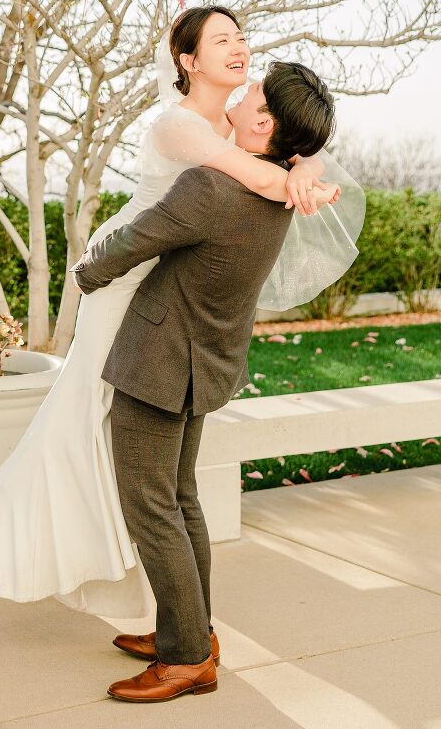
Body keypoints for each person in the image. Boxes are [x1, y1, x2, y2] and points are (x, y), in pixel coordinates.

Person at [0, 6, 364, 618]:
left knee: (151, 478)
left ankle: (181, 633)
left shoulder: (239, 128)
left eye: (240, 37)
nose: (239, 49)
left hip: (164, 293)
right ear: (188, 61)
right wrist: (300, 175)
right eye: (221, 40)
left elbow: (272, 155)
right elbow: (251, 172)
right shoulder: (180, 127)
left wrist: (306, 164)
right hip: (127, 276)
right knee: (88, 421)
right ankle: (161, 610)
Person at [71, 60, 337, 702]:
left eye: (253, 93)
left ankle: (187, 659)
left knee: (151, 505)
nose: (242, 90)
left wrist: (85, 272)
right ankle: (190, 631)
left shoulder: (211, 189)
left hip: (159, 362)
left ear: (264, 123)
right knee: (180, 498)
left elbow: (136, 241)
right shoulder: (281, 185)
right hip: (204, 361)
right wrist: (307, 162)